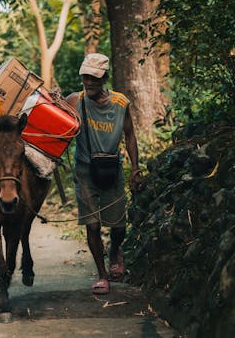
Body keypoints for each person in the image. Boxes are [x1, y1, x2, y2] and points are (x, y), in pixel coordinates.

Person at [66, 53, 143, 295]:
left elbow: (130, 135)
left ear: (105, 78)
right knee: (92, 226)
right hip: (85, 170)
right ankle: (101, 274)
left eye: (94, 78)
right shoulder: (74, 101)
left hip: (112, 169)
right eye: (85, 77)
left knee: (119, 225)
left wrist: (136, 168)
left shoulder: (120, 103)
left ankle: (114, 251)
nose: (89, 83)